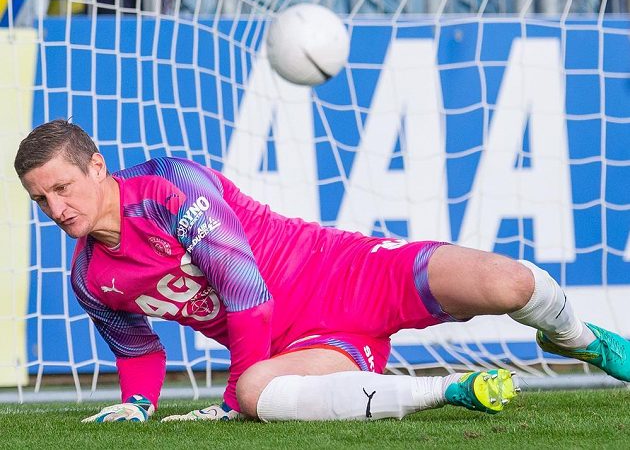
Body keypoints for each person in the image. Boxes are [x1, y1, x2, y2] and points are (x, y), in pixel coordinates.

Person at [14, 119, 629, 423]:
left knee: (509, 285)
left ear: (97, 166)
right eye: (41, 200)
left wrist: (230, 393)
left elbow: (244, 291)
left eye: (63, 188)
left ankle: (577, 338)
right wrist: (137, 404)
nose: (57, 210)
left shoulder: (169, 186)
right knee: (260, 395)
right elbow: (138, 352)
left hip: (349, 271)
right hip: (304, 347)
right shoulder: (90, 278)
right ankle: (455, 391)